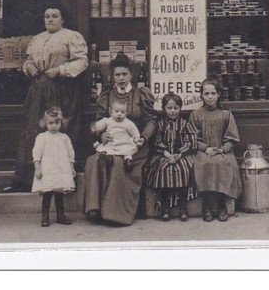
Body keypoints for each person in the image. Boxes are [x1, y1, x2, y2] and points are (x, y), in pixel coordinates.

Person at [6, 5, 88, 191]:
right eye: (47, 16)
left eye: (55, 16)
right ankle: (28, 180)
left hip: (61, 89)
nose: (50, 19)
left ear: (63, 19)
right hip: (38, 89)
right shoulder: (38, 38)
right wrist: (29, 66)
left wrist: (59, 70)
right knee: (33, 130)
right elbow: (29, 60)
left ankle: (61, 181)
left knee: (59, 130)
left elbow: (82, 62)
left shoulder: (71, 36)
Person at [83, 52, 157, 226]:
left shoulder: (141, 94)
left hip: (135, 147)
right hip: (111, 144)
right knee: (93, 161)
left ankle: (115, 214)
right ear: (112, 76)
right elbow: (99, 121)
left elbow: (151, 121)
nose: (121, 78)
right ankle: (96, 209)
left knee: (117, 163)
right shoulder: (107, 96)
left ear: (131, 75)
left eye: (125, 74)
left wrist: (144, 138)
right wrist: (100, 135)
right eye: (117, 75)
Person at [190, 79, 242, 221]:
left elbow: (232, 138)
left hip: (222, 150)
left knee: (224, 164)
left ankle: (221, 204)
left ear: (219, 94)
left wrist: (223, 149)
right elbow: (192, 138)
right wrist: (205, 148)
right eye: (206, 94)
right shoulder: (196, 115)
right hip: (204, 151)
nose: (210, 97)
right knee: (205, 164)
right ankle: (206, 205)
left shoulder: (226, 114)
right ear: (201, 95)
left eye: (213, 93)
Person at [143, 93, 198, 222]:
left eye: (176, 108)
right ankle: (165, 207)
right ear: (164, 108)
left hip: (181, 155)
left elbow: (190, 141)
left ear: (180, 108)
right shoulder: (160, 124)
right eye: (169, 108)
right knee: (163, 169)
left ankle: (183, 206)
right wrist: (167, 154)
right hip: (164, 155)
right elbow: (156, 142)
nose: (173, 111)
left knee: (184, 169)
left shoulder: (184, 124)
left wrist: (179, 154)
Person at [32, 107, 76, 227]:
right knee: (47, 194)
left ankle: (60, 215)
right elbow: (36, 154)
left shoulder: (64, 137)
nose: (54, 126)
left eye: (57, 122)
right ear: (45, 123)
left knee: (59, 194)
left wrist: (71, 167)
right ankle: (45, 216)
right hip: (48, 170)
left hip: (61, 169)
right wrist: (37, 168)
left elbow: (70, 153)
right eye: (50, 123)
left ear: (61, 123)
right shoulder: (42, 137)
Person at [91, 100, 141, 169]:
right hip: (112, 142)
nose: (119, 114)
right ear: (111, 112)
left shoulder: (128, 123)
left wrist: (137, 139)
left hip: (124, 142)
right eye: (117, 111)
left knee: (127, 150)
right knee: (108, 149)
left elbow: (134, 131)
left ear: (126, 113)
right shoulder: (108, 121)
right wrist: (96, 126)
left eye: (122, 112)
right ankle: (109, 158)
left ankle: (128, 160)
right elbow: (100, 124)